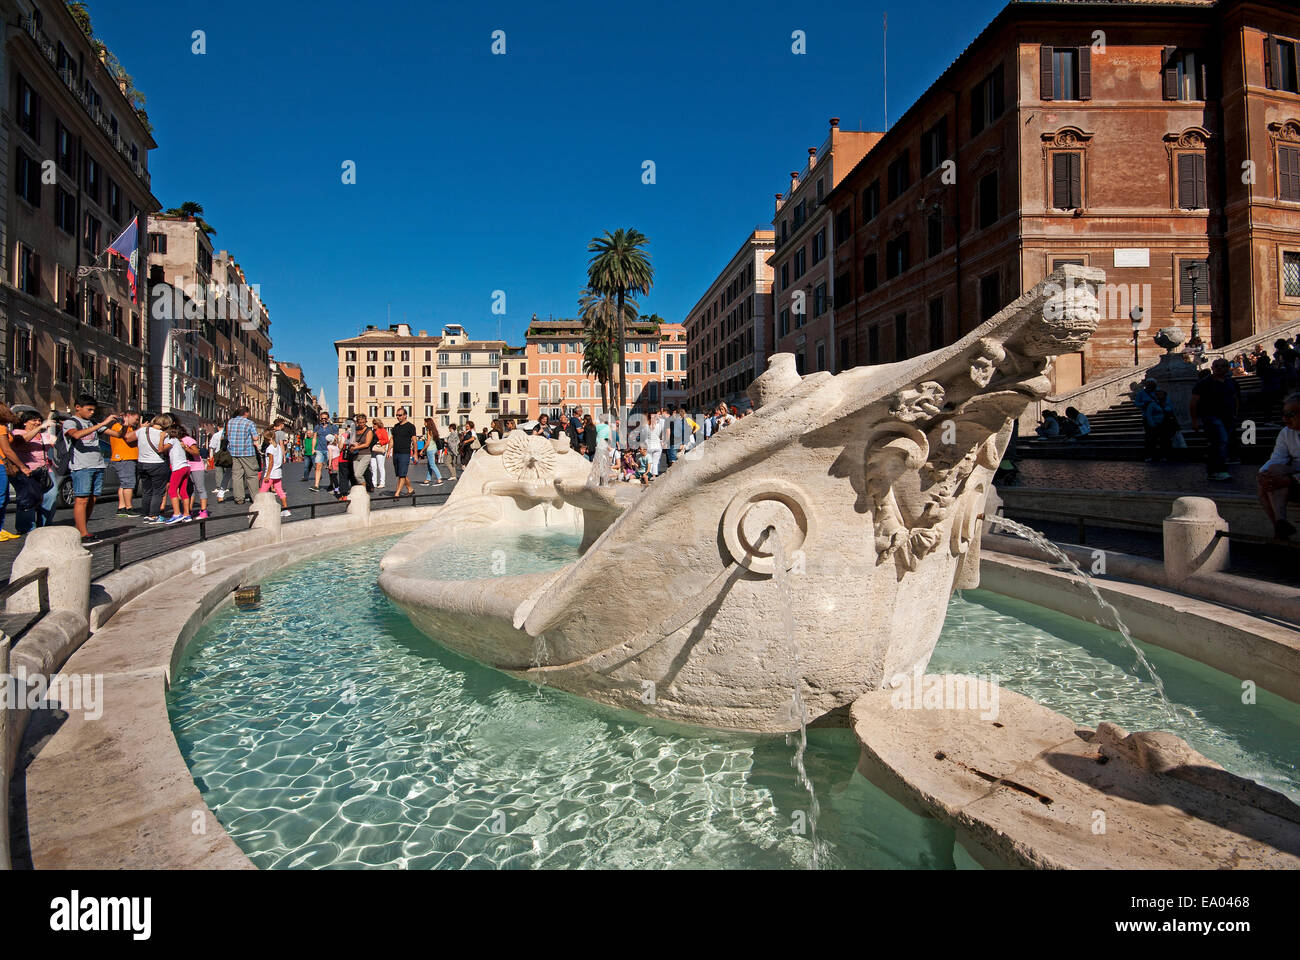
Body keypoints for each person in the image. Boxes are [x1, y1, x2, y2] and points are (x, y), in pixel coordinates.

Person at [62, 395, 118, 544]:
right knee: (82, 498)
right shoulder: (70, 422)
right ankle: (82, 533)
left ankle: (83, 528)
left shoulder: (92, 422)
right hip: (81, 466)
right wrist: (102, 424)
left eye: (94, 410)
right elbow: (76, 435)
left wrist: (124, 425)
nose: (92, 413)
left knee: (93, 498)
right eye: (89, 409)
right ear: (78, 407)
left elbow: (118, 435)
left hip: (98, 464)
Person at [8, 409, 58, 535]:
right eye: (34, 420)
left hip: (45, 470)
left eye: (39, 420)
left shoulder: (43, 435)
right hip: (26, 470)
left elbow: (58, 443)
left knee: (51, 495)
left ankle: (44, 524)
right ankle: (26, 527)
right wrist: (40, 427)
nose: (37, 422)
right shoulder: (17, 433)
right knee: (28, 498)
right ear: (25, 422)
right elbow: (21, 441)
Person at [1258, 394, 1300, 539]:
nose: (1285, 419)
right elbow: (1277, 458)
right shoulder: (1286, 433)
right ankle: (1280, 524)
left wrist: (1291, 480)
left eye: (1290, 415)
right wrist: (1263, 474)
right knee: (1268, 476)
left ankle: (1280, 531)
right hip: (1296, 470)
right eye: (1284, 414)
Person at [1190, 357, 1238, 481]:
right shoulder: (1204, 383)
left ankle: (1212, 470)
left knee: (1218, 443)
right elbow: (1194, 402)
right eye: (1216, 366)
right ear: (1212, 368)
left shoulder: (1231, 382)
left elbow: (1235, 398)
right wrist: (1194, 420)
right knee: (1221, 441)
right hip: (1211, 416)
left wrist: (1235, 413)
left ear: (1227, 368)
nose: (1219, 369)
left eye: (1222, 366)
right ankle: (1220, 470)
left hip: (1227, 417)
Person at [104, 410, 140, 516]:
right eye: (136, 419)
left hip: (125, 458)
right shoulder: (118, 426)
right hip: (124, 458)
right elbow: (127, 437)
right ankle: (129, 508)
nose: (137, 422)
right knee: (129, 484)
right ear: (128, 416)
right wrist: (141, 429)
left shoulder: (128, 427)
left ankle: (122, 507)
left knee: (124, 484)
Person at [157, 424, 193, 524]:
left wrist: (161, 438)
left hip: (178, 468)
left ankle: (177, 514)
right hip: (186, 467)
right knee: (183, 491)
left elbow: (161, 449)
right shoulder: (179, 441)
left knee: (172, 490)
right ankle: (187, 515)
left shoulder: (172, 440)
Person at [224, 406, 261, 504]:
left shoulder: (230, 422)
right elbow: (256, 438)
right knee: (252, 475)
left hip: (234, 452)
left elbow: (226, 435)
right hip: (247, 452)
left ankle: (239, 498)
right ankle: (255, 498)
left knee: (237, 475)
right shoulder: (249, 423)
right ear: (246, 413)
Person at [258, 428, 291, 516]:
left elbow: (271, 462)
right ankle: (285, 509)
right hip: (278, 472)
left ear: (266, 439)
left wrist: (267, 475)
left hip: (271, 473)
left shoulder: (270, 449)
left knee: (262, 492)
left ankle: (257, 511)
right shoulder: (279, 447)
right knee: (280, 490)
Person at [0, 404, 21, 541]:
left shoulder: (4, 427)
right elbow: (7, 450)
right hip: (1, 465)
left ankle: (0, 529)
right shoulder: (1, 428)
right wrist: (22, 466)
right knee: (1, 498)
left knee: (5, 498)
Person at [390, 407, 417, 498]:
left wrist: (415, 453)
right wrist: (389, 450)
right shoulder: (395, 427)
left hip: (405, 453)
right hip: (396, 453)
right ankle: (410, 489)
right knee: (401, 474)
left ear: (405, 415)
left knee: (402, 475)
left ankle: (397, 493)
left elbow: (414, 441)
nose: (398, 417)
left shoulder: (410, 426)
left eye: (400, 415)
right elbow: (392, 439)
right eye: (397, 415)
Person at [182, 429, 209, 519]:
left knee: (200, 488)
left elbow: (196, 452)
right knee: (190, 490)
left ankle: (203, 511)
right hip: (186, 466)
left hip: (196, 466)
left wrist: (185, 448)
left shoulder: (188, 439)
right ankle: (189, 510)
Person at [350, 414, 375, 491]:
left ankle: (364, 489)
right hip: (356, 455)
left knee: (358, 474)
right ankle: (362, 488)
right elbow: (351, 440)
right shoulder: (355, 429)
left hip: (365, 454)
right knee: (356, 475)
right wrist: (352, 445)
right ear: (357, 422)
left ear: (366, 421)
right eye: (360, 422)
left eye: (363, 422)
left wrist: (356, 447)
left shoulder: (369, 431)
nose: (361, 424)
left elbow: (367, 444)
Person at [421, 418, 444, 485]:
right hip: (434, 448)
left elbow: (428, 442)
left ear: (427, 423)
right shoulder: (433, 431)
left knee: (432, 465)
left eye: (425, 422)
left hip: (430, 449)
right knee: (429, 465)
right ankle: (428, 479)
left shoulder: (429, 431)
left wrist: (422, 450)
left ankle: (439, 479)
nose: (424, 423)